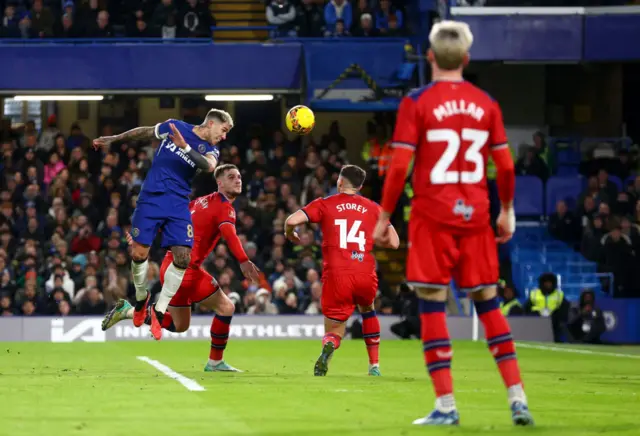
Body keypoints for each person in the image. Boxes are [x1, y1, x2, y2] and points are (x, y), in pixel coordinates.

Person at [372, 21, 534, 426]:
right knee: (489, 305)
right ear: (466, 59)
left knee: (431, 307)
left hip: (432, 218)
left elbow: (399, 167)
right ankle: (518, 399)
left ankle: (446, 407)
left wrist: (384, 217)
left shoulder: (417, 102)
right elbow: (506, 166)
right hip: (477, 217)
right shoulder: (487, 104)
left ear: (429, 57)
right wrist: (507, 210)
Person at [102, 164, 259, 370]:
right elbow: (229, 234)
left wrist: (143, 238)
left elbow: (168, 222)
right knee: (226, 307)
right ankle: (215, 362)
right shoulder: (224, 207)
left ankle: (128, 311)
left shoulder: (198, 202)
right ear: (219, 183)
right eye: (231, 177)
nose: (238, 180)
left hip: (171, 267)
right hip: (186, 271)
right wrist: (243, 260)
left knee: (180, 325)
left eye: (239, 176)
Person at [93, 110, 233, 340]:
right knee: (139, 253)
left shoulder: (211, 149)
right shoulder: (175, 126)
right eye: (224, 130)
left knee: (182, 257)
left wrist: (185, 147)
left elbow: (208, 167)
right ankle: (140, 301)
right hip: (151, 197)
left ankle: (158, 311)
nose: (224, 136)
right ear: (211, 123)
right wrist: (115, 139)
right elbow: (145, 132)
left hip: (178, 203)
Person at [284, 165, 400, 377]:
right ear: (360, 186)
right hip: (364, 271)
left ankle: (330, 344)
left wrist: (289, 231)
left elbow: (292, 220)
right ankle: (374, 365)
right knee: (368, 309)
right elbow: (394, 242)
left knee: (334, 330)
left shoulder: (325, 204)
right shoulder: (373, 207)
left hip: (337, 274)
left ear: (339, 181)